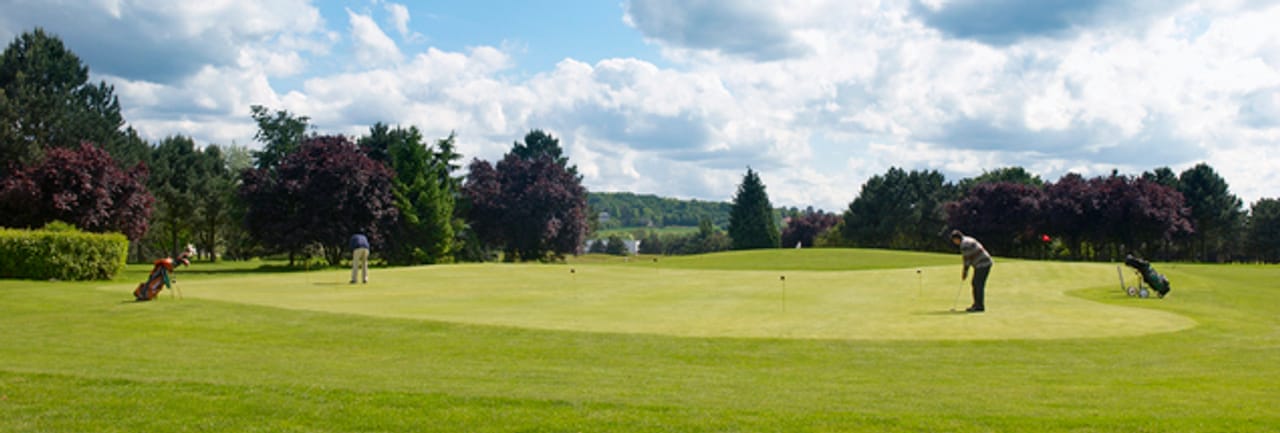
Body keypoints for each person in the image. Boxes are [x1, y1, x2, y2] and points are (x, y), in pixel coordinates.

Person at [950, 229, 993, 313]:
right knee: (976, 283)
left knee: (978, 284)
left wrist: (965, 272)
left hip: (983, 264)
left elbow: (967, 259)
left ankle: (979, 306)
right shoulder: (967, 239)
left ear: (956, 239)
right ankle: (977, 304)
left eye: (954, 241)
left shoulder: (964, 245)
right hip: (984, 263)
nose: (955, 243)